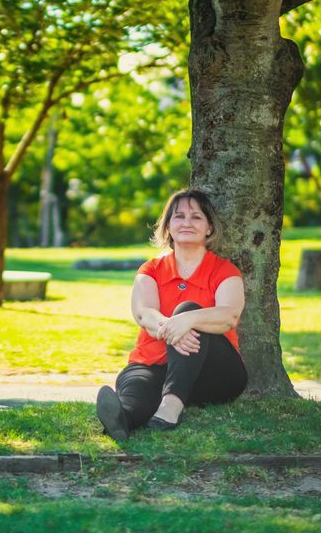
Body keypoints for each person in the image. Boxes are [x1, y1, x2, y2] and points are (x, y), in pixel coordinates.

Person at [95, 188, 248, 442]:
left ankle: (171, 405)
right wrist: (174, 329)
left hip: (216, 373)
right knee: (137, 392)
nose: (187, 222)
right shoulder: (151, 269)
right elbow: (144, 314)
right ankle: (122, 419)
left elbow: (229, 316)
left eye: (196, 217)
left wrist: (189, 319)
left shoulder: (224, 270)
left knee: (188, 309)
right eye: (178, 216)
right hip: (153, 363)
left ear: (209, 228)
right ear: (168, 227)